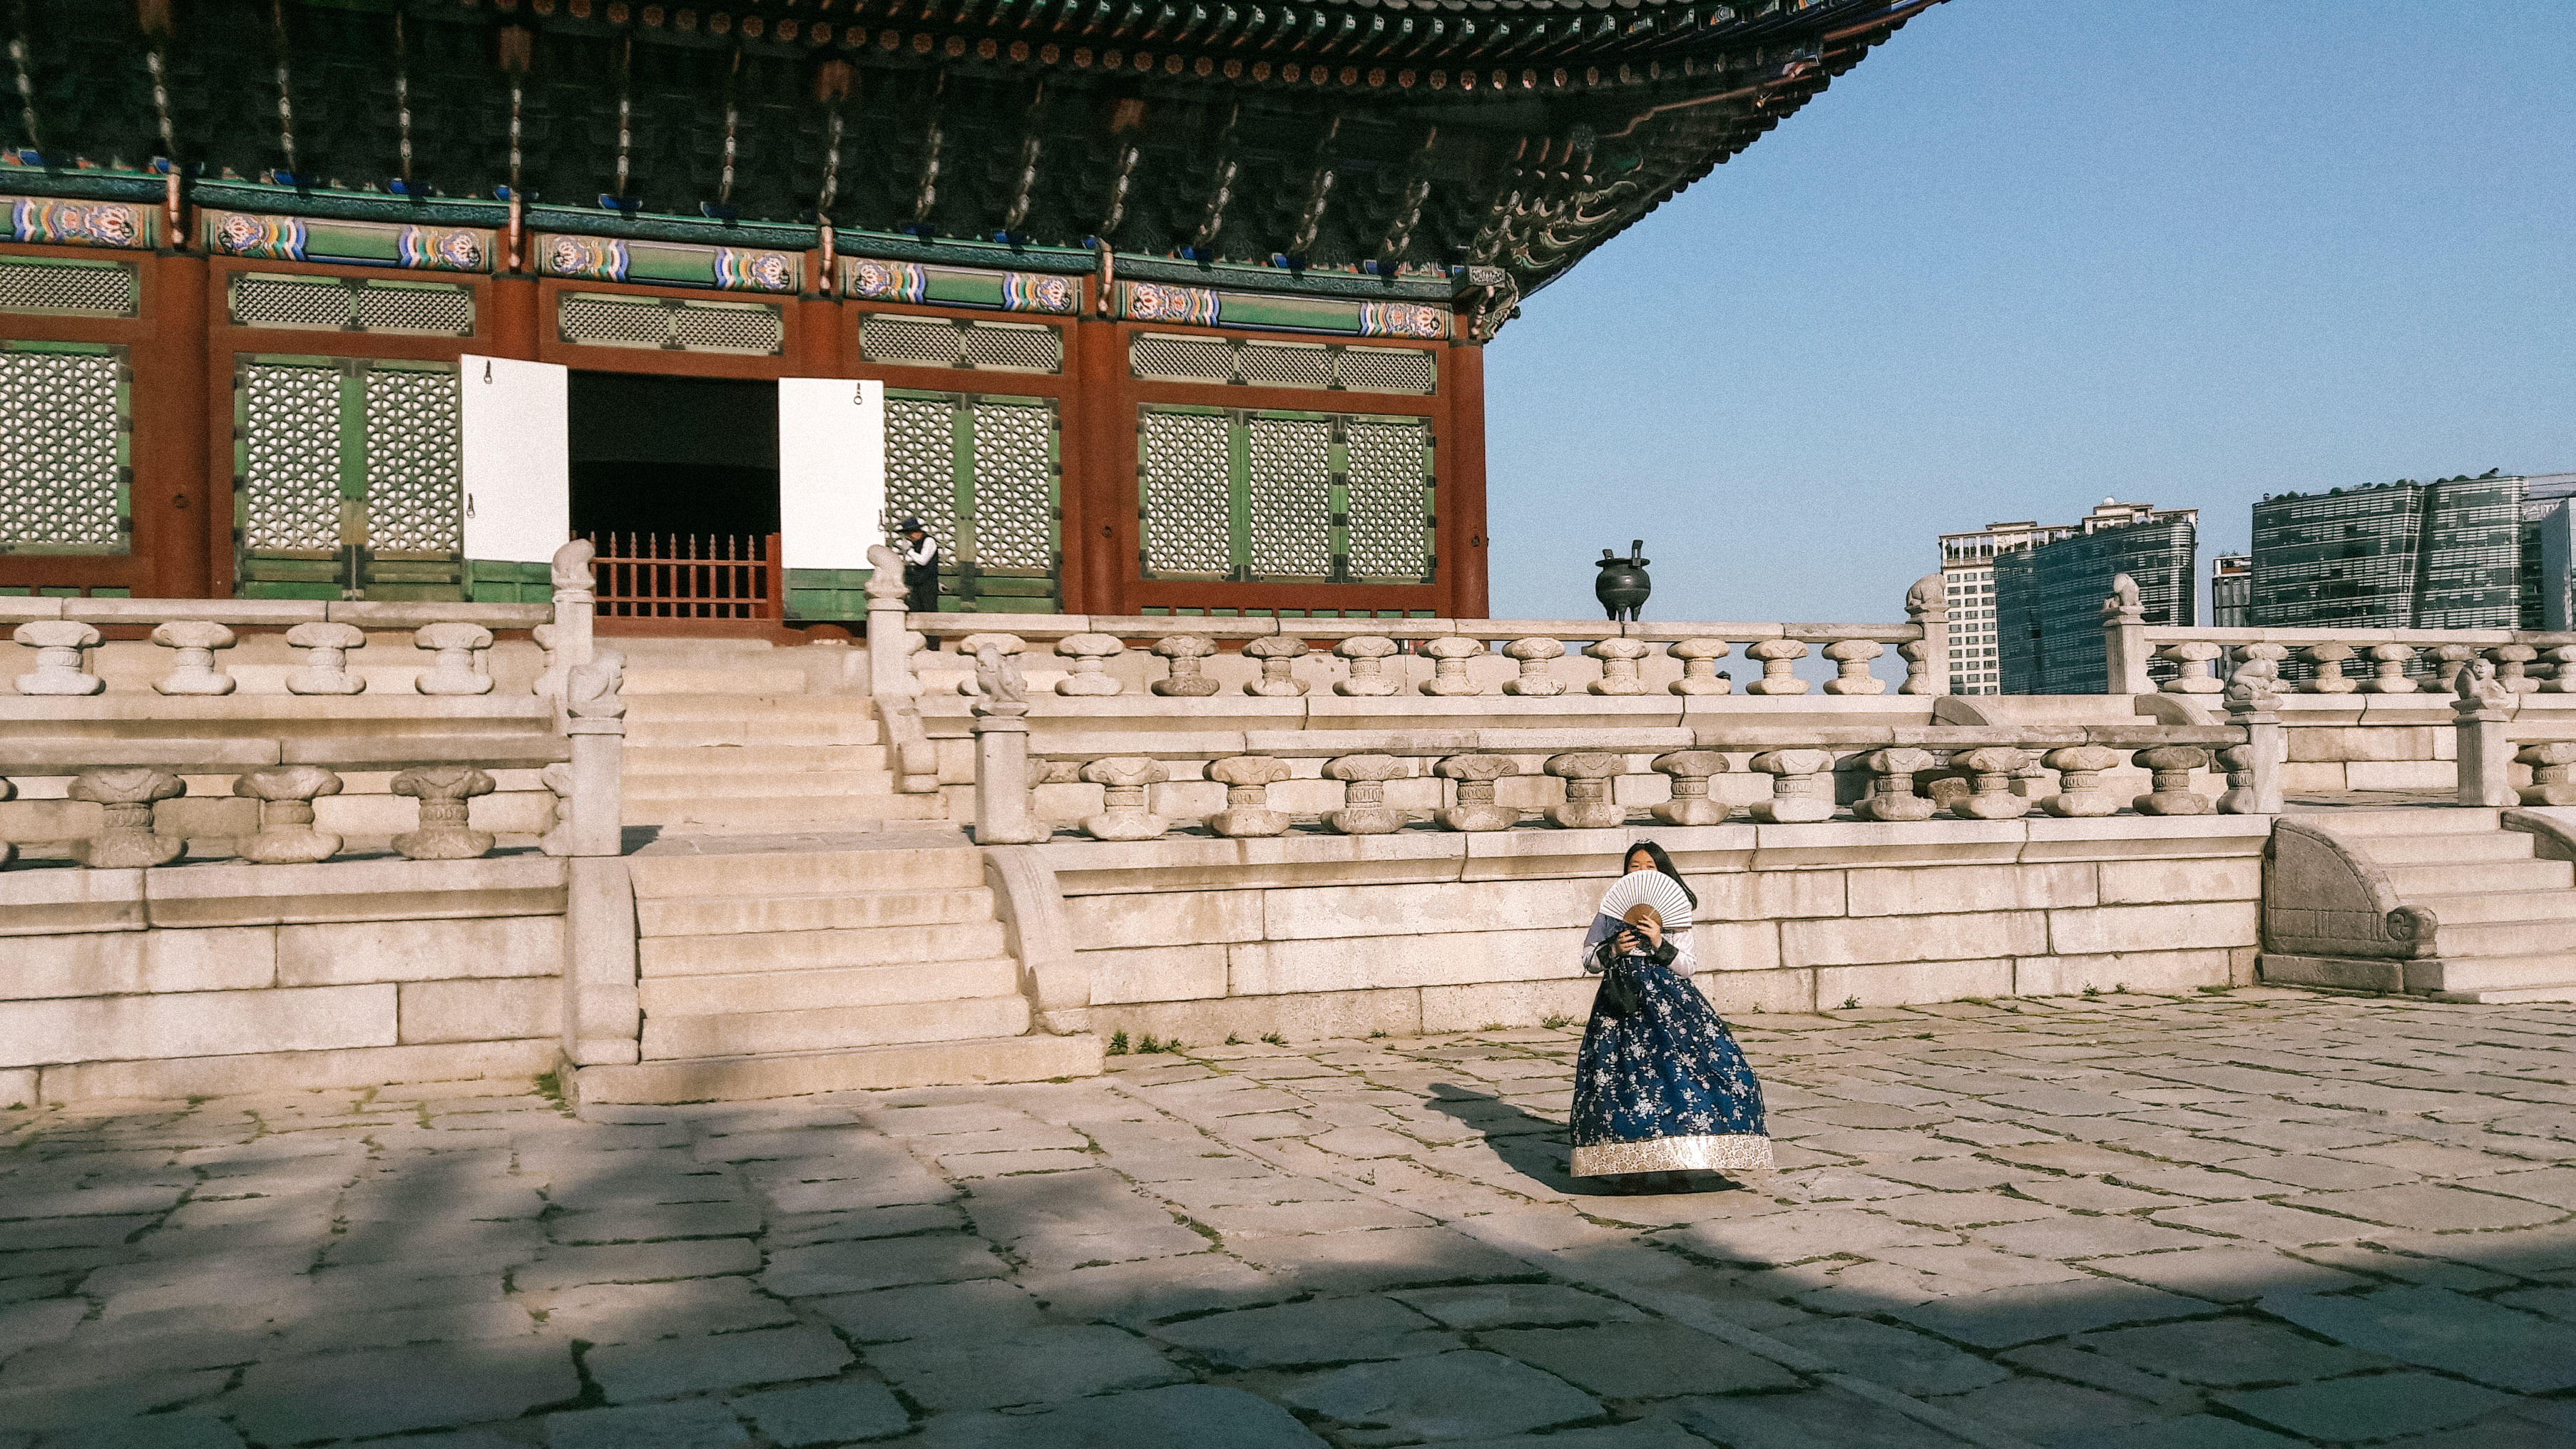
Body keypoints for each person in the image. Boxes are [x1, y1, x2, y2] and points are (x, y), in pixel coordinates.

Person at [1568, 840, 1772, 1193]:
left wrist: (1660, 941)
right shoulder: (1609, 915)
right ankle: (1633, 1169)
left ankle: (1682, 1164)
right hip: (1621, 1007)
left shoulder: (1674, 916)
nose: (1642, 872)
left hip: (1671, 1006)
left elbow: (1688, 967)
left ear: (1662, 871)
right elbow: (1589, 961)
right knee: (1624, 1084)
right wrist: (1615, 948)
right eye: (1635, 866)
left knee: (1682, 1078)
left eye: (1650, 866)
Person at [897, 517, 940, 645]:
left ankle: (933, 645)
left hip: (928, 584)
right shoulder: (917, 545)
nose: (909, 537)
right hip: (918, 584)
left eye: (909, 534)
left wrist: (909, 552)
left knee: (930, 614)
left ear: (916, 532)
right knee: (916, 611)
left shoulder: (929, 541)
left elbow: (923, 560)